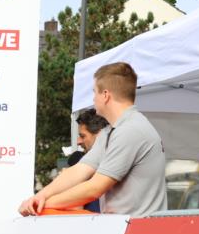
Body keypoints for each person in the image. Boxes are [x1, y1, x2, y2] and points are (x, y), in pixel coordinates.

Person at [19, 62, 167, 217]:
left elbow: (96, 187)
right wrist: (40, 197)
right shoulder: (112, 130)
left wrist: (44, 204)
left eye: (94, 93)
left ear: (105, 95)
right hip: (124, 228)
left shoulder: (130, 130)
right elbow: (80, 170)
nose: (93, 99)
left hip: (140, 232)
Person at [65, 108, 110, 213]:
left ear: (99, 135)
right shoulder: (79, 161)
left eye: (82, 136)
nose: (78, 141)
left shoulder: (116, 160)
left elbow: (74, 207)